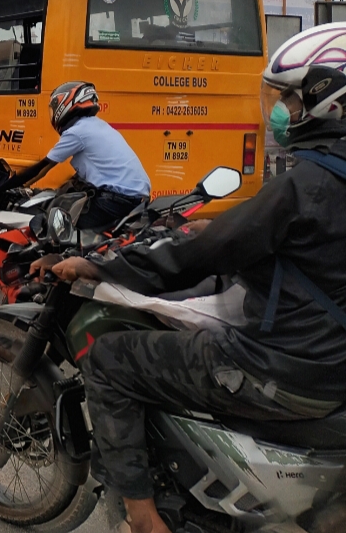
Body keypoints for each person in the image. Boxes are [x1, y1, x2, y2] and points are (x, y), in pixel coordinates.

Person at [37, 62, 346, 533]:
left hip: (281, 366)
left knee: (109, 360)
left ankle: (141, 515)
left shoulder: (303, 185)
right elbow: (293, 248)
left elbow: (196, 258)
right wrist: (219, 230)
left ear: (330, 106)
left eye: (292, 101)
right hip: (330, 356)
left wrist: (100, 266)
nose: (283, 112)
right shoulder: (328, 179)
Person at [0, 81, 150, 230]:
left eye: (54, 106)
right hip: (133, 199)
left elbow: (41, 169)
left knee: (57, 227)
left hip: (115, 201)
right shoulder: (97, 125)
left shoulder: (77, 133)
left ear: (66, 104)